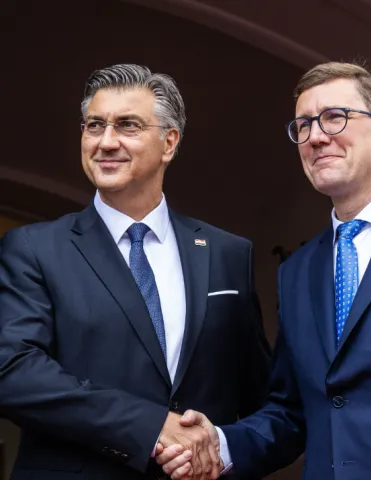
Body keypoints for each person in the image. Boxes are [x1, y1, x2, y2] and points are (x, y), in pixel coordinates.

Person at [156, 62, 371, 480]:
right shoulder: (297, 271)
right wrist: (219, 444)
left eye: (334, 117)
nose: (316, 136)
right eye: (304, 125)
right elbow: (292, 412)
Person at [0, 64, 271, 480]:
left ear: (169, 142)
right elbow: (13, 372)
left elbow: (265, 402)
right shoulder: (33, 249)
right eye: (95, 126)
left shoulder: (227, 254)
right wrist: (150, 427)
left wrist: (222, 448)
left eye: (128, 125)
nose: (106, 142)